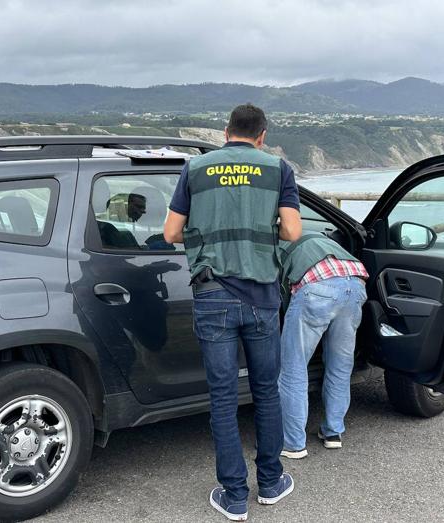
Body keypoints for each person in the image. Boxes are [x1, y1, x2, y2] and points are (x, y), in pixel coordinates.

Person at [164, 104, 302, 521]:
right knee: (265, 391)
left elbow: (171, 232)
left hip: (213, 296)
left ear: (226, 132)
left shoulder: (196, 169)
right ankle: (272, 482)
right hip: (261, 298)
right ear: (262, 135)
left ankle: (234, 495)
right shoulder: (278, 169)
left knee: (223, 398)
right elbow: (293, 231)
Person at [277, 232, 368, 459]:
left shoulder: (276, 242)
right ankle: (333, 433)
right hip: (355, 285)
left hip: (316, 288)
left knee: (293, 369)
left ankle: (293, 443)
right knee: (340, 366)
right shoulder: (322, 237)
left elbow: (281, 293)